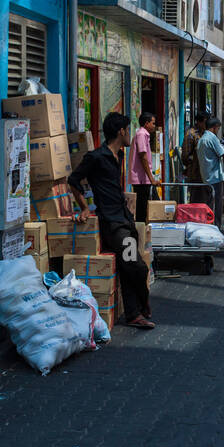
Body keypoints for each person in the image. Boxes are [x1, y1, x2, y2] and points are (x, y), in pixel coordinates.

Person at [69, 112, 154, 330]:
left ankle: (134, 314)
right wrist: (85, 208)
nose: (131, 135)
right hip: (114, 226)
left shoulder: (120, 156)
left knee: (128, 268)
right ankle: (144, 306)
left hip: (125, 220)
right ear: (121, 132)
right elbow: (74, 180)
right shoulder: (96, 157)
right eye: (128, 129)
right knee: (138, 267)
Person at [128, 110, 159, 222]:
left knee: (150, 206)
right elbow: (143, 156)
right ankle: (141, 235)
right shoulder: (141, 134)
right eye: (153, 123)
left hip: (145, 179)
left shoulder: (145, 135)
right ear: (146, 123)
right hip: (141, 180)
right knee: (142, 210)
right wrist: (151, 178)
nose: (154, 126)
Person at [196, 114, 224, 227]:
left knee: (209, 204)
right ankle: (215, 227)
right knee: (216, 205)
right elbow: (223, 153)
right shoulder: (212, 138)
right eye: (218, 128)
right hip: (215, 177)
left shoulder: (202, 139)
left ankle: (209, 226)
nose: (218, 131)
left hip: (206, 176)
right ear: (214, 127)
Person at [181, 111, 208, 206]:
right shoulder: (191, 134)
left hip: (205, 174)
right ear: (199, 122)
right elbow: (185, 156)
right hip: (195, 174)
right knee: (196, 200)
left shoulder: (205, 133)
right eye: (205, 122)